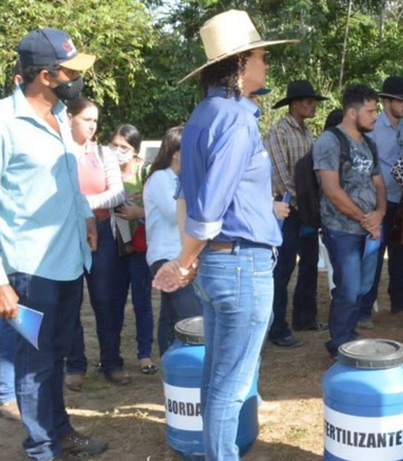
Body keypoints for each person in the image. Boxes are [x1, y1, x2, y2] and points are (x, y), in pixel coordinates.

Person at [152, 10, 292, 459]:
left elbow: (187, 198)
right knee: (230, 389)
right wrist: (184, 260)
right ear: (239, 63)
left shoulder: (203, 115)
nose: (267, 65)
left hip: (221, 264)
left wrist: (189, 257)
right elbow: (209, 209)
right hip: (239, 265)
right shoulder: (234, 118)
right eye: (261, 57)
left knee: (217, 381)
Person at [0, 27, 109, 460]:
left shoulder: (56, 120)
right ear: (46, 76)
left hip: (69, 261)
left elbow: (66, 185)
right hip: (29, 270)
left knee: (55, 355)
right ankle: (42, 450)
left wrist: (86, 215)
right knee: (34, 365)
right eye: (72, 71)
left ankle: (60, 431)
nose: (79, 79)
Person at [314, 84, 386, 357]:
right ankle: (340, 345)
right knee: (349, 288)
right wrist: (365, 219)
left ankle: (349, 335)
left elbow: (379, 183)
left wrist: (378, 213)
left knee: (363, 287)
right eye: (370, 111)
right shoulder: (329, 141)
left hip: (369, 229)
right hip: (341, 229)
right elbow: (331, 190)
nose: (375, 116)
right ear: (352, 113)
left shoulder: (369, 143)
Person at [64, 97, 127, 392]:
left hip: (101, 236)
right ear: (69, 117)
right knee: (70, 302)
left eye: (95, 121)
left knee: (106, 302)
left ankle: (111, 362)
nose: (92, 125)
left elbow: (117, 194)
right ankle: (75, 366)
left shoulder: (103, 154)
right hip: (66, 239)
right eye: (86, 119)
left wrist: (82, 205)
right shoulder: (58, 152)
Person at [263, 80, 328, 348]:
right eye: (309, 101)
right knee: (283, 269)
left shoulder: (307, 132)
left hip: (306, 207)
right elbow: (280, 177)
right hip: (287, 209)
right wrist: (305, 202)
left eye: (313, 101)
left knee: (310, 264)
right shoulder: (277, 133)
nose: (313, 105)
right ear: (295, 104)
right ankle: (277, 327)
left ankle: (305, 317)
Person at [359, 76, 403, 327]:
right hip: (378, 201)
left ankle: (399, 300)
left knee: (401, 253)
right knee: (374, 257)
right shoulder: (373, 127)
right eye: (400, 100)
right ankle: (364, 309)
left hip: (401, 198)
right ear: (387, 102)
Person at [0, 59, 29, 422]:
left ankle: (16, 391)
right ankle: (3, 395)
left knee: (23, 326)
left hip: (37, 254)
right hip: (9, 251)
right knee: (6, 320)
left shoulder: (53, 120)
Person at [99, 124, 156, 380]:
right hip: (114, 245)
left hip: (140, 247)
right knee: (113, 302)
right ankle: (111, 357)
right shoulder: (105, 172)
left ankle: (144, 354)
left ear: (135, 150)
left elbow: (164, 206)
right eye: (115, 146)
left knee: (142, 302)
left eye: (125, 147)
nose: (118, 151)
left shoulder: (146, 172)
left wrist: (139, 213)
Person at [144, 126, 203, 356]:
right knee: (192, 316)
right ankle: (184, 365)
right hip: (166, 256)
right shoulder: (160, 178)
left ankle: (169, 364)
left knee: (170, 315)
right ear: (176, 152)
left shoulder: (179, 179)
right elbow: (174, 213)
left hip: (177, 255)